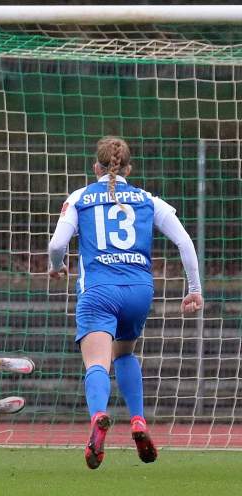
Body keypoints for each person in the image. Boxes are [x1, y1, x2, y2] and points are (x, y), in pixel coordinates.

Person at [48, 136, 203, 469]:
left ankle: (99, 416)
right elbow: (184, 241)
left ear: (96, 167)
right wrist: (194, 289)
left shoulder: (80, 197)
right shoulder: (148, 199)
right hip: (139, 291)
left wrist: (57, 266)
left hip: (99, 290)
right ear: (128, 169)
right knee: (125, 353)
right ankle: (138, 420)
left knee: (97, 363)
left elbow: (57, 244)